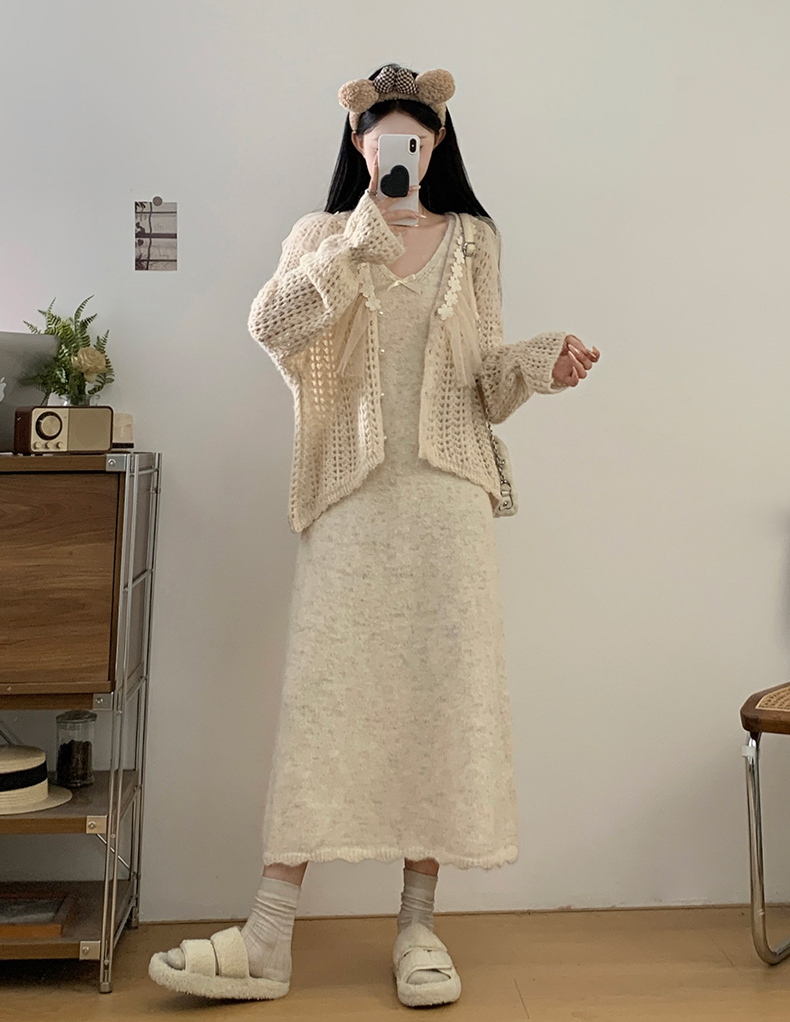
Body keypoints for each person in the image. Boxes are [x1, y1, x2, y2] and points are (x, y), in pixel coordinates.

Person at [148, 62, 600, 1007]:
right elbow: (270, 326)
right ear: (359, 143)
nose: (402, 151)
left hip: (447, 503)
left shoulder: (474, 241)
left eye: (416, 138)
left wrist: (539, 361)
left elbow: (483, 380)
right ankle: (269, 931)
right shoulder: (322, 236)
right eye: (385, 137)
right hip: (351, 497)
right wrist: (361, 239)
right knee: (323, 704)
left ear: (437, 142)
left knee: (440, 703)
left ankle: (418, 925)